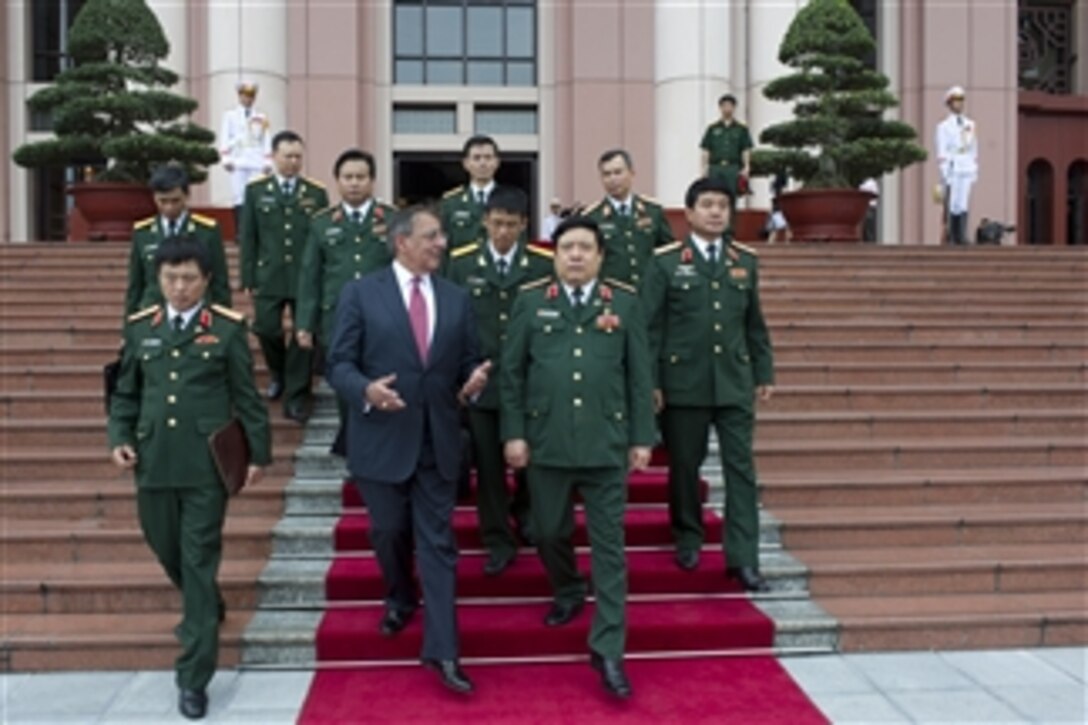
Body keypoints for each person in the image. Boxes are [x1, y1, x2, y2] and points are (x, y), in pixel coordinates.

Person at [325, 205, 491, 695]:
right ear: (402, 242)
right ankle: (399, 594)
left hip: (437, 441)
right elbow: (337, 364)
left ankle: (443, 651)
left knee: (438, 544)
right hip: (381, 438)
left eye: (441, 235)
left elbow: (466, 365)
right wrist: (366, 391)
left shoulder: (457, 299)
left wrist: (474, 382)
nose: (442, 243)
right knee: (387, 530)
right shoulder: (360, 293)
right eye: (432, 235)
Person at [107, 236, 270, 720]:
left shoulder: (224, 330)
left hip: (205, 465)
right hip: (153, 458)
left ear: (206, 281)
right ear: (157, 280)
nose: (179, 287)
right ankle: (208, 605)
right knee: (165, 545)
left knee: (198, 559)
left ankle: (194, 675)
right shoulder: (141, 329)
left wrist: (259, 454)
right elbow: (125, 393)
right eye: (170, 278)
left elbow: (247, 395)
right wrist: (118, 435)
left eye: (188, 279)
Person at [500, 216, 655, 699]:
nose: (575, 255)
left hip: (606, 444)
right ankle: (567, 589)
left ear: (600, 255)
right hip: (546, 443)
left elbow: (638, 376)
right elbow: (511, 374)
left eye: (585, 247)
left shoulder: (624, 303)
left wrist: (642, 438)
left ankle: (608, 649)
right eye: (567, 247)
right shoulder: (531, 302)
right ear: (555, 254)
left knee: (609, 549)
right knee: (547, 531)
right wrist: (514, 434)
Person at [642, 176, 775, 593]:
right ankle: (688, 534)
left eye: (723, 205)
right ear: (690, 213)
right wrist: (651, 381)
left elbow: (753, 322)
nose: (716, 212)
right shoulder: (665, 262)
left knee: (742, 471)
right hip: (683, 382)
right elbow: (649, 328)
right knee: (684, 466)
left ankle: (743, 559)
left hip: (734, 381)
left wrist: (764, 370)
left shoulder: (744, 260)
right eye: (708, 205)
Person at [445, 186, 554, 576]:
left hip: (531, 383)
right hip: (483, 383)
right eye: (496, 224)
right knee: (489, 468)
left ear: (525, 224)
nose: (503, 232)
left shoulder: (543, 265)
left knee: (530, 460)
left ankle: (525, 514)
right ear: (484, 222)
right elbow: (450, 321)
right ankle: (496, 538)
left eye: (511, 224)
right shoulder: (460, 264)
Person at [296, 149, 395, 453]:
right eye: (348, 177)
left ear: (372, 181)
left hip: (384, 318)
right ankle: (353, 448)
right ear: (337, 182)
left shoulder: (391, 220)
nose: (354, 183)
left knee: (381, 380)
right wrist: (304, 324)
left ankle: (379, 446)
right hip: (336, 319)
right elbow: (310, 275)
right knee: (344, 384)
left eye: (361, 177)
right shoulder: (322, 223)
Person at [239, 130, 329, 423]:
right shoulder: (256, 191)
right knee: (265, 329)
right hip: (269, 274)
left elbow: (322, 236)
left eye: (298, 157)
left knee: (304, 336)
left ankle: (296, 393)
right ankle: (278, 371)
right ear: (274, 157)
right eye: (287, 156)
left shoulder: (316, 192)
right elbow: (248, 236)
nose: (293, 162)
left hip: (305, 276)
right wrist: (247, 276)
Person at [125, 165, 231, 317]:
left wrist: (223, 320)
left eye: (175, 201)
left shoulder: (207, 231)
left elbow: (219, 282)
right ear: (154, 197)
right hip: (153, 312)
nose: (169, 207)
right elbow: (135, 285)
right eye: (163, 201)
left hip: (196, 312)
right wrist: (129, 327)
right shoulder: (142, 232)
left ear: (187, 196)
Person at [582, 149, 675, 287]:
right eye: (606, 174)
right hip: (613, 295)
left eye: (618, 172)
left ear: (632, 173)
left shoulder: (653, 211)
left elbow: (669, 253)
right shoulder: (591, 217)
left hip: (650, 291)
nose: (613, 179)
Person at [218, 80, 272, 230]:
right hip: (237, 160)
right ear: (239, 96)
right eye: (245, 95)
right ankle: (241, 231)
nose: (248, 99)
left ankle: (255, 230)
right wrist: (226, 159)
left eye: (251, 96)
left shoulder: (261, 117)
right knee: (239, 195)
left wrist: (268, 162)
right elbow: (224, 137)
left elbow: (266, 139)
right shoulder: (230, 115)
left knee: (256, 195)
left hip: (256, 161)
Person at [440, 135, 505, 251]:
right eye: (476, 158)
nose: (483, 163)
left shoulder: (509, 199)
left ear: (497, 162)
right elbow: (444, 245)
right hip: (461, 268)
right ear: (466, 163)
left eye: (488, 157)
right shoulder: (450, 202)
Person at [935, 85, 979, 245]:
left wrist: (974, 169)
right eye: (955, 101)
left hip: (966, 165)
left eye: (961, 100)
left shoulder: (970, 124)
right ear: (949, 103)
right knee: (953, 203)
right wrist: (944, 172)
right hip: (953, 166)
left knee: (963, 202)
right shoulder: (943, 127)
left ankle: (962, 234)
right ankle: (953, 236)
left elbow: (974, 148)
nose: (959, 104)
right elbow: (942, 150)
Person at [700, 94, 754, 199]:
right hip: (715, 167)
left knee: (731, 196)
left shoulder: (741, 129)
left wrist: (747, 167)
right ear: (720, 108)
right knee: (714, 195)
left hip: (733, 168)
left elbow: (745, 149)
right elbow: (706, 149)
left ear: (734, 108)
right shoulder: (712, 128)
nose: (727, 108)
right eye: (724, 106)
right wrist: (704, 168)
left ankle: (731, 216)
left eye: (730, 106)